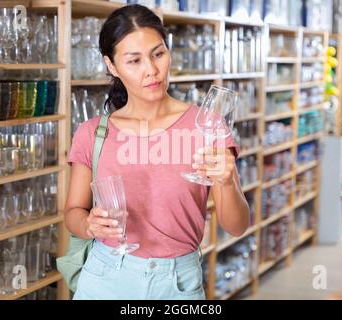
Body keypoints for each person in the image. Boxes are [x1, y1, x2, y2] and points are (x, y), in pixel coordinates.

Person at [65, 4, 250, 300]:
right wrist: (88, 225)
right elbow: (73, 212)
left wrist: (226, 182)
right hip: (104, 276)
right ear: (112, 66)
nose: (151, 70)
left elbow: (237, 225)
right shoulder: (92, 133)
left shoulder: (207, 126)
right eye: (134, 61)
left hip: (178, 282)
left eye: (158, 54)